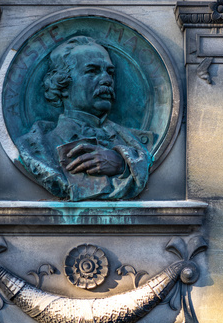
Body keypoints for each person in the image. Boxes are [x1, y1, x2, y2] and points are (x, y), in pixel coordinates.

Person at [16, 36, 153, 201]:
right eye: (92, 71)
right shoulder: (36, 146)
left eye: (110, 72)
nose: (107, 80)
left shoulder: (135, 144)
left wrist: (122, 165)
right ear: (62, 84)